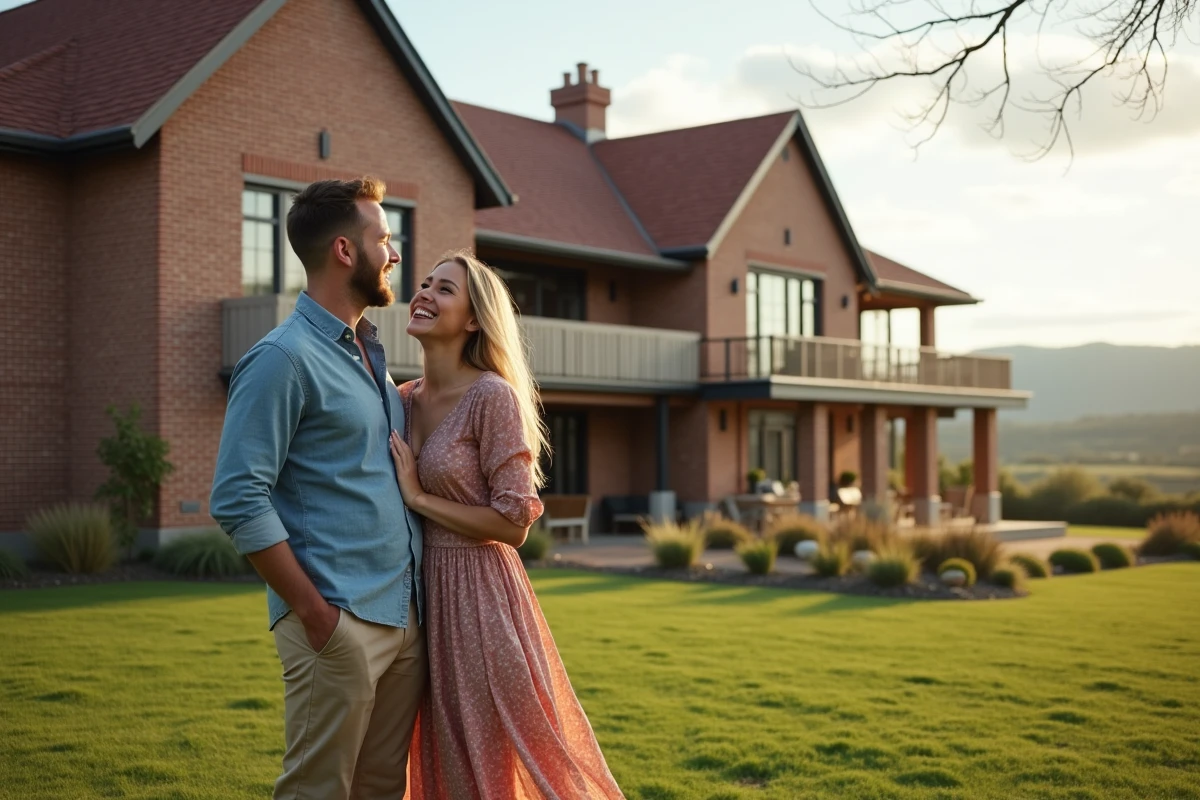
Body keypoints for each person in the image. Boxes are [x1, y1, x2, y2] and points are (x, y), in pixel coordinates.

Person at [210, 177, 426, 800]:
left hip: (403, 618)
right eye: (383, 239)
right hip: (337, 622)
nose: (394, 253)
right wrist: (314, 614)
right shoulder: (282, 357)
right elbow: (238, 496)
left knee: (382, 788)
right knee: (317, 790)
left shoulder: (371, 357)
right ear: (343, 250)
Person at [390, 250, 623, 799]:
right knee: (444, 748)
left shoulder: (492, 396)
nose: (424, 293)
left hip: (481, 597)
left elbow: (514, 523)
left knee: (504, 747)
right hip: (420, 596)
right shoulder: (399, 399)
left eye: (444, 289)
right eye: (424, 283)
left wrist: (419, 497)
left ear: (474, 318)